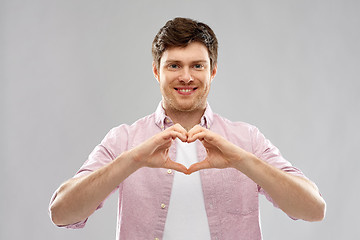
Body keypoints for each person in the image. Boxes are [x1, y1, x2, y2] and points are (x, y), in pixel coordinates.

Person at [49, 17, 326, 240]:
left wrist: (242, 161)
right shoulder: (124, 139)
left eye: (197, 65)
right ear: (157, 72)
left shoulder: (246, 139)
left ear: (212, 71)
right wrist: (132, 160)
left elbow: (313, 208)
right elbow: (61, 213)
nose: (186, 76)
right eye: (174, 65)